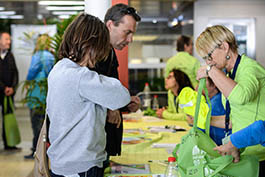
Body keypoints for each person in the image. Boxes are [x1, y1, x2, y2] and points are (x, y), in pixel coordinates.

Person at [46, 13, 131, 177]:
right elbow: (122, 96)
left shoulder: (59, 68)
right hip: (82, 166)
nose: (102, 55)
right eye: (101, 47)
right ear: (91, 44)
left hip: (63, 162)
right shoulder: (82, 77)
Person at [196, 25, 265, 176]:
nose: (209, 61)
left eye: (209, 56)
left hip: (261, 154)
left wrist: (210, 70)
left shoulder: (250, 68)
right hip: (245, 151)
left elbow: (241, 96)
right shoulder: (231, 74)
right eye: (205, 59)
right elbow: (234, 120)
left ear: (225, 47)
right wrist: (205, 119)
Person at [93, 3, 141, 164]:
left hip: (105, 144)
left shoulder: (110, 51)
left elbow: (110, 88)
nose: (130, 39)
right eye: (126, 32)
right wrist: (110, 107)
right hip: (92, 148)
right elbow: (90, 95)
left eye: (132, 34)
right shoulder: (93, 53)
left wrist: (124, 104)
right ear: (110, 25)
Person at [24, 34, 55, 159]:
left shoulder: (37, 56)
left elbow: (32, 71)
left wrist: (27, 82)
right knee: (45, 124)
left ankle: (35, 151)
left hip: (36, 92)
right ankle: (46, 150)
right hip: (47, 92)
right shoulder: (51, 57)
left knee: (35, 123)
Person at [0, 32, 19, 151]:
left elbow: (15, 73)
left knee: (8, 118)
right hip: (1, 91)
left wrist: (12, 87)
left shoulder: (10, 55)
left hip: (8, 94)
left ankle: (9, 144)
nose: (9, 42)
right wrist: (3, 87)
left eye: (9, 40)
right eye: (6, 39)